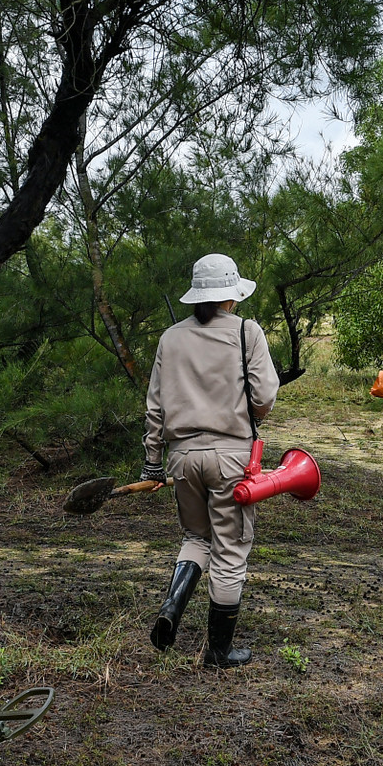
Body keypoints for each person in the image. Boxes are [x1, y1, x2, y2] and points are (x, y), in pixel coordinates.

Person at [143, 253, 280, 667]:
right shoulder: (246, 331)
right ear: (231, 296)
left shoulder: (170, 338)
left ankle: (171, 607)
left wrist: (152, 462)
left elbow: (155, 407)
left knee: (196, 537)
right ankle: (219, 651)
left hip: (182, 458)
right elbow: (264, 398)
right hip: (231, 458)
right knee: (230, 550)